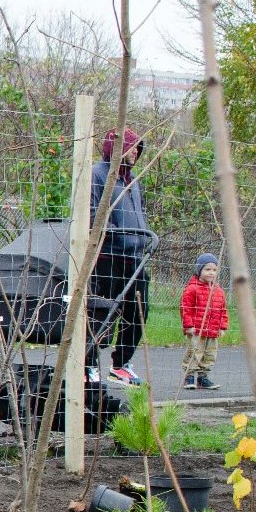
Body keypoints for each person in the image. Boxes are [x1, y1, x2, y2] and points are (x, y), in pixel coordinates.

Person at [90, 127, 152, 386]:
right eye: (130, 146)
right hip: (108, 256)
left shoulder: (132, 180)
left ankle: (121, 364)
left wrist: (143, 237)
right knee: (99, 314)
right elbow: (92, 213)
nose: (135, 151)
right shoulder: (98, 174)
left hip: (134, 259)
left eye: (138, 147)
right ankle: (88, 364)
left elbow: (139, 212)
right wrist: (117, 235)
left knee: (138, 310)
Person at [179, 252, 226, 392]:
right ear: (199, 270)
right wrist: (188, 325)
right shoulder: (192, 288)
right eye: (207, 269)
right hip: (196, 330)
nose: (211, 273)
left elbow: (223, 309)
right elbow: (185, 308)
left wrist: (222, 326)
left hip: (212, 330)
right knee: (194, 352)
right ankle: (189, 376)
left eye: (214, 270)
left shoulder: (218, 291)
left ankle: (202, 377)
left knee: (209, 354)